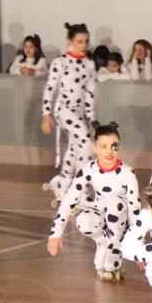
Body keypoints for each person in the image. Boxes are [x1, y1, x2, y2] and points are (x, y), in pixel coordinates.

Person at [46, 122, 142, 282]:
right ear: (95, 148)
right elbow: (69, 199)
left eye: (114, 146)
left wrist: (139, 245)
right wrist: (56, 233)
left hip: (121, 220)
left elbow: (134, 208)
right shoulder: (88, 169)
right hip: (100, 212)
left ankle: (115, 250)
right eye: (103, 146)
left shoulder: (127, 173)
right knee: (84, 220)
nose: (109, 151)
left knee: (114, 205)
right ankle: (103, 242)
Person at [40, 23, 97, 203]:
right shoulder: (60, 62)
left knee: (75, 147)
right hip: (64, 110)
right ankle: (81, 188)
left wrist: (90, 116)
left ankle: (63, 182)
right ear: (69, 41)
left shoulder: (89, 64)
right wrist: (46, 114)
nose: (84, 45)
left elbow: (90, 92)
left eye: (86, 42)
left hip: (80, 113)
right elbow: (50, 88)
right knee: (87, 144)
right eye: (79, 41)